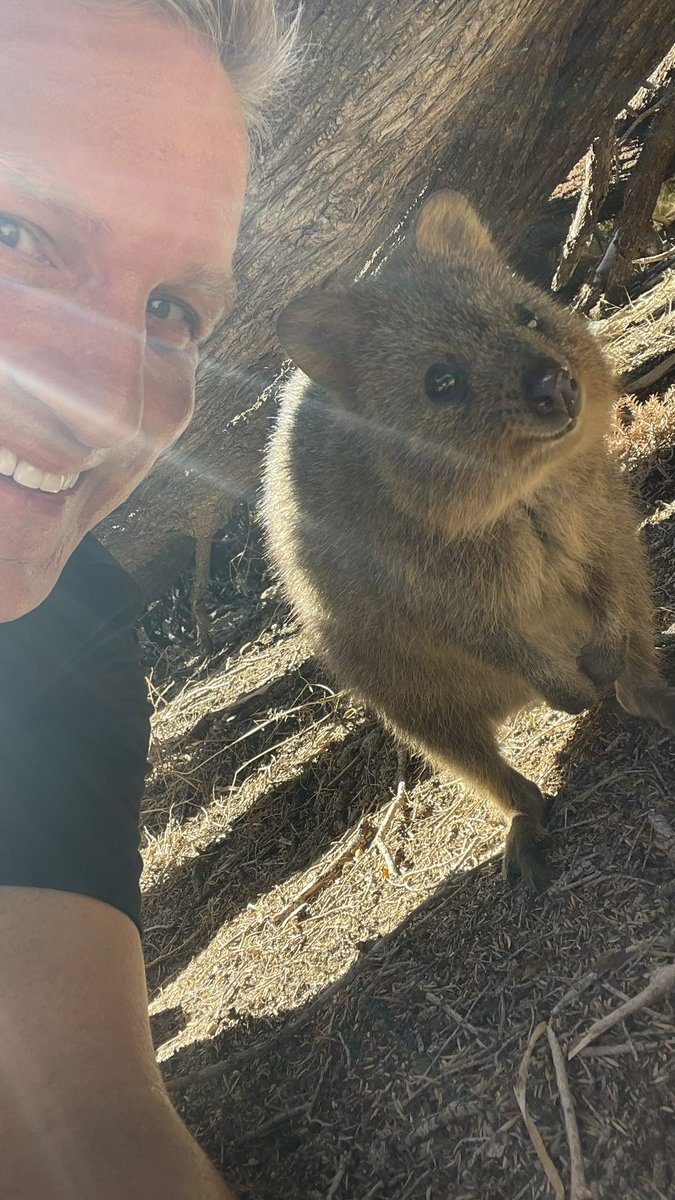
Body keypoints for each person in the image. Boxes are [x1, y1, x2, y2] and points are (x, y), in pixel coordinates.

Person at [0, 2, 297, 1196]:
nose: (109, 402)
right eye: (15, 230)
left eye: (170, 310)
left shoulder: (54, 642)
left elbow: (72, 1119)